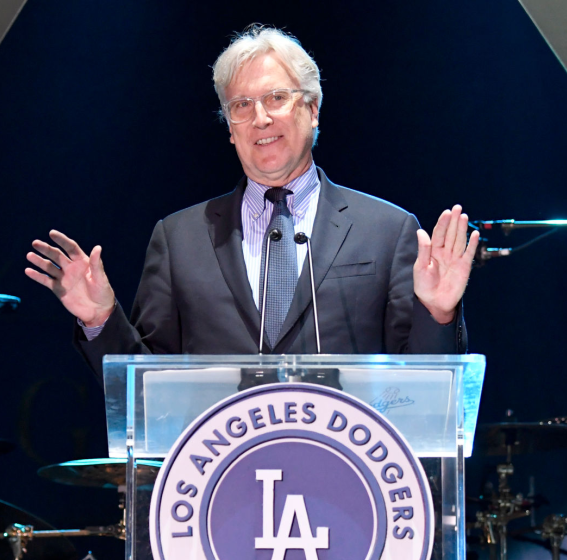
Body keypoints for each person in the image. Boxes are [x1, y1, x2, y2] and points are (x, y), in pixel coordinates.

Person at [25, 25, 479, 380]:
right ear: (229, 127)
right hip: (222, 486)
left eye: (276, 98)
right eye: (240, 105)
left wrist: (437, 314)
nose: (259, 117)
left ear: (313, 108)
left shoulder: (387, 229)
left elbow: (422, 386)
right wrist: (101, 318)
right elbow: (147, 390)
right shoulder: (180, 238)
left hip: (348, 480)